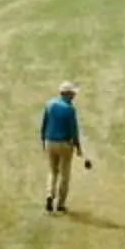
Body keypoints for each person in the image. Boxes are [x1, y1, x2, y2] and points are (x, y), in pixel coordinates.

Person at [39, 81, 88, 213]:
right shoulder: (70, 109)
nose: (74, 95)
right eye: (72, 93)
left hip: (50, 141)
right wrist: (78, 147)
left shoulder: (49, 104)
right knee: (64, 175)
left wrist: (43, 140)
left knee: (52, 171)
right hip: (64, 144)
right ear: (67, 94)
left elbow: (44, 124)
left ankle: (49, 194)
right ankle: (60, 204)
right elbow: (73, 130)